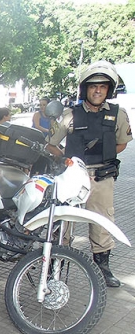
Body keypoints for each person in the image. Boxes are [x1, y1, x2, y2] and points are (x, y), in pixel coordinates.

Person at [46, 61, 132, 287]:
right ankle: (55, 266)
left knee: (102, 221)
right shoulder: (70, 114)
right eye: (93, 86)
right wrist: (66, 158)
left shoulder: (118, 114)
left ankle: (102, 267)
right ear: (85, 89)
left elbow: (122, 143)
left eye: (103, 87)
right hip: (72, 177)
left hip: (101, 176)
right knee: (63, 222)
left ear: (109, 90)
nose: (97, 90)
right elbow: (51, 144)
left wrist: (101, 154)